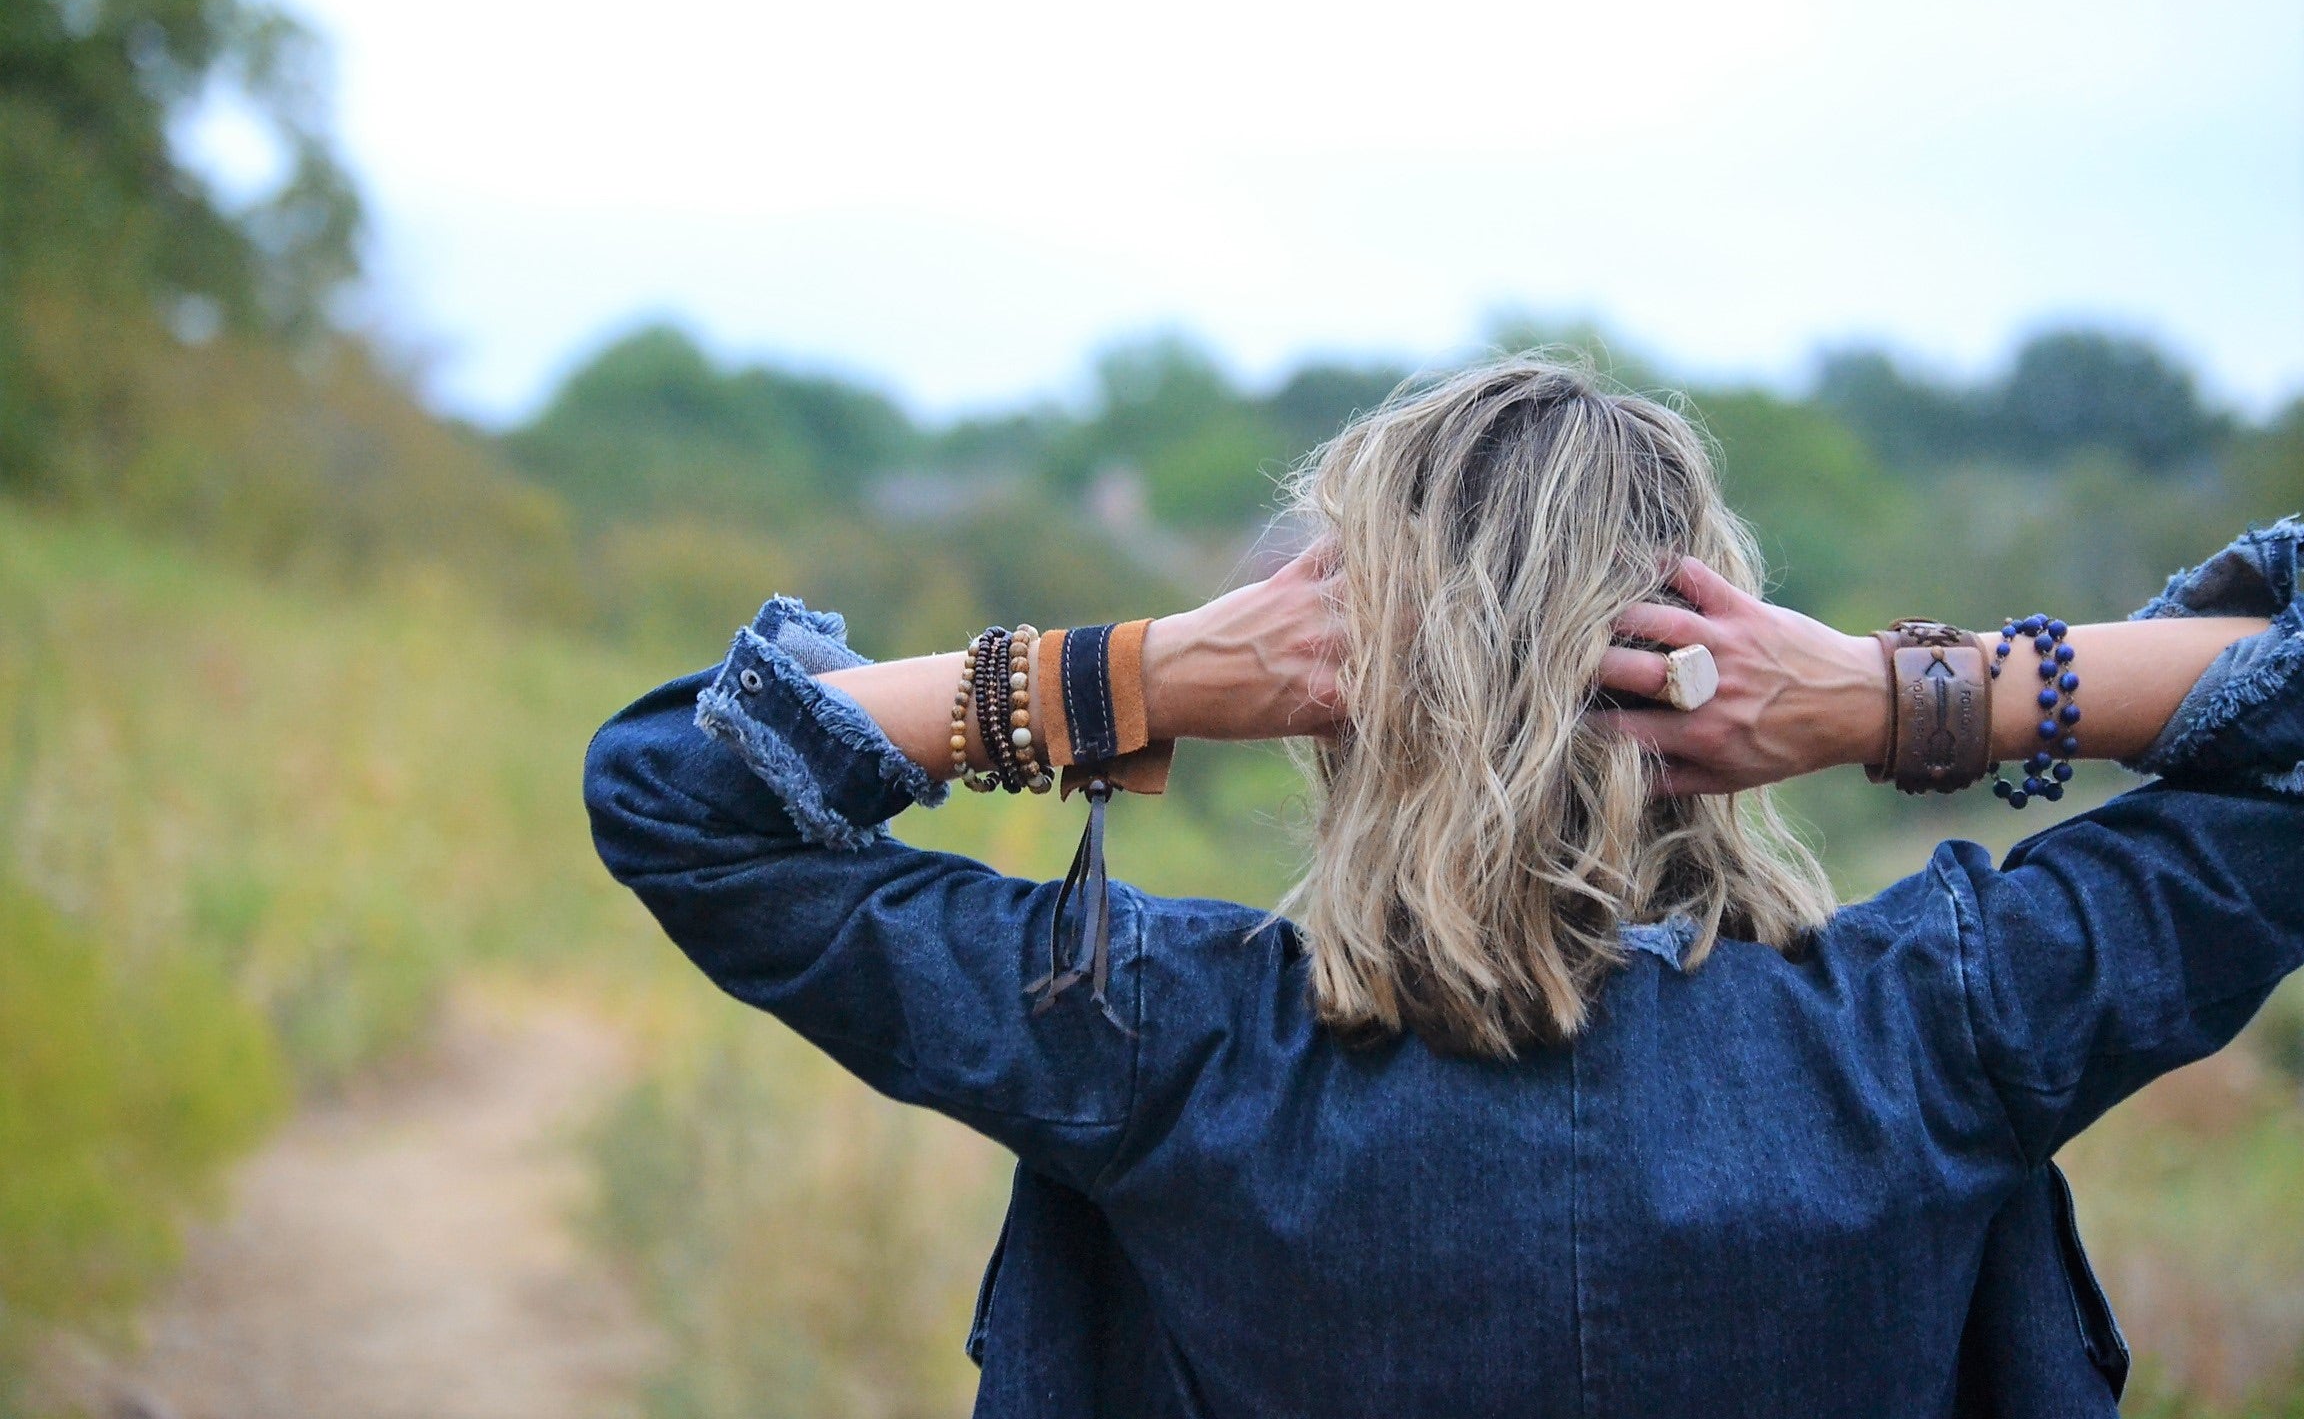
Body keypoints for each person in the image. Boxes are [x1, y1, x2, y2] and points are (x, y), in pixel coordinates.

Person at [584, 356, 2304, 1417]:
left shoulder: (1158, 1046)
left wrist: (1133, 676)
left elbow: (683, 798)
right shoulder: (1947, 1032)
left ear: (1342, 682)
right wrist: (1899, 697)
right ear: (1728, 648)